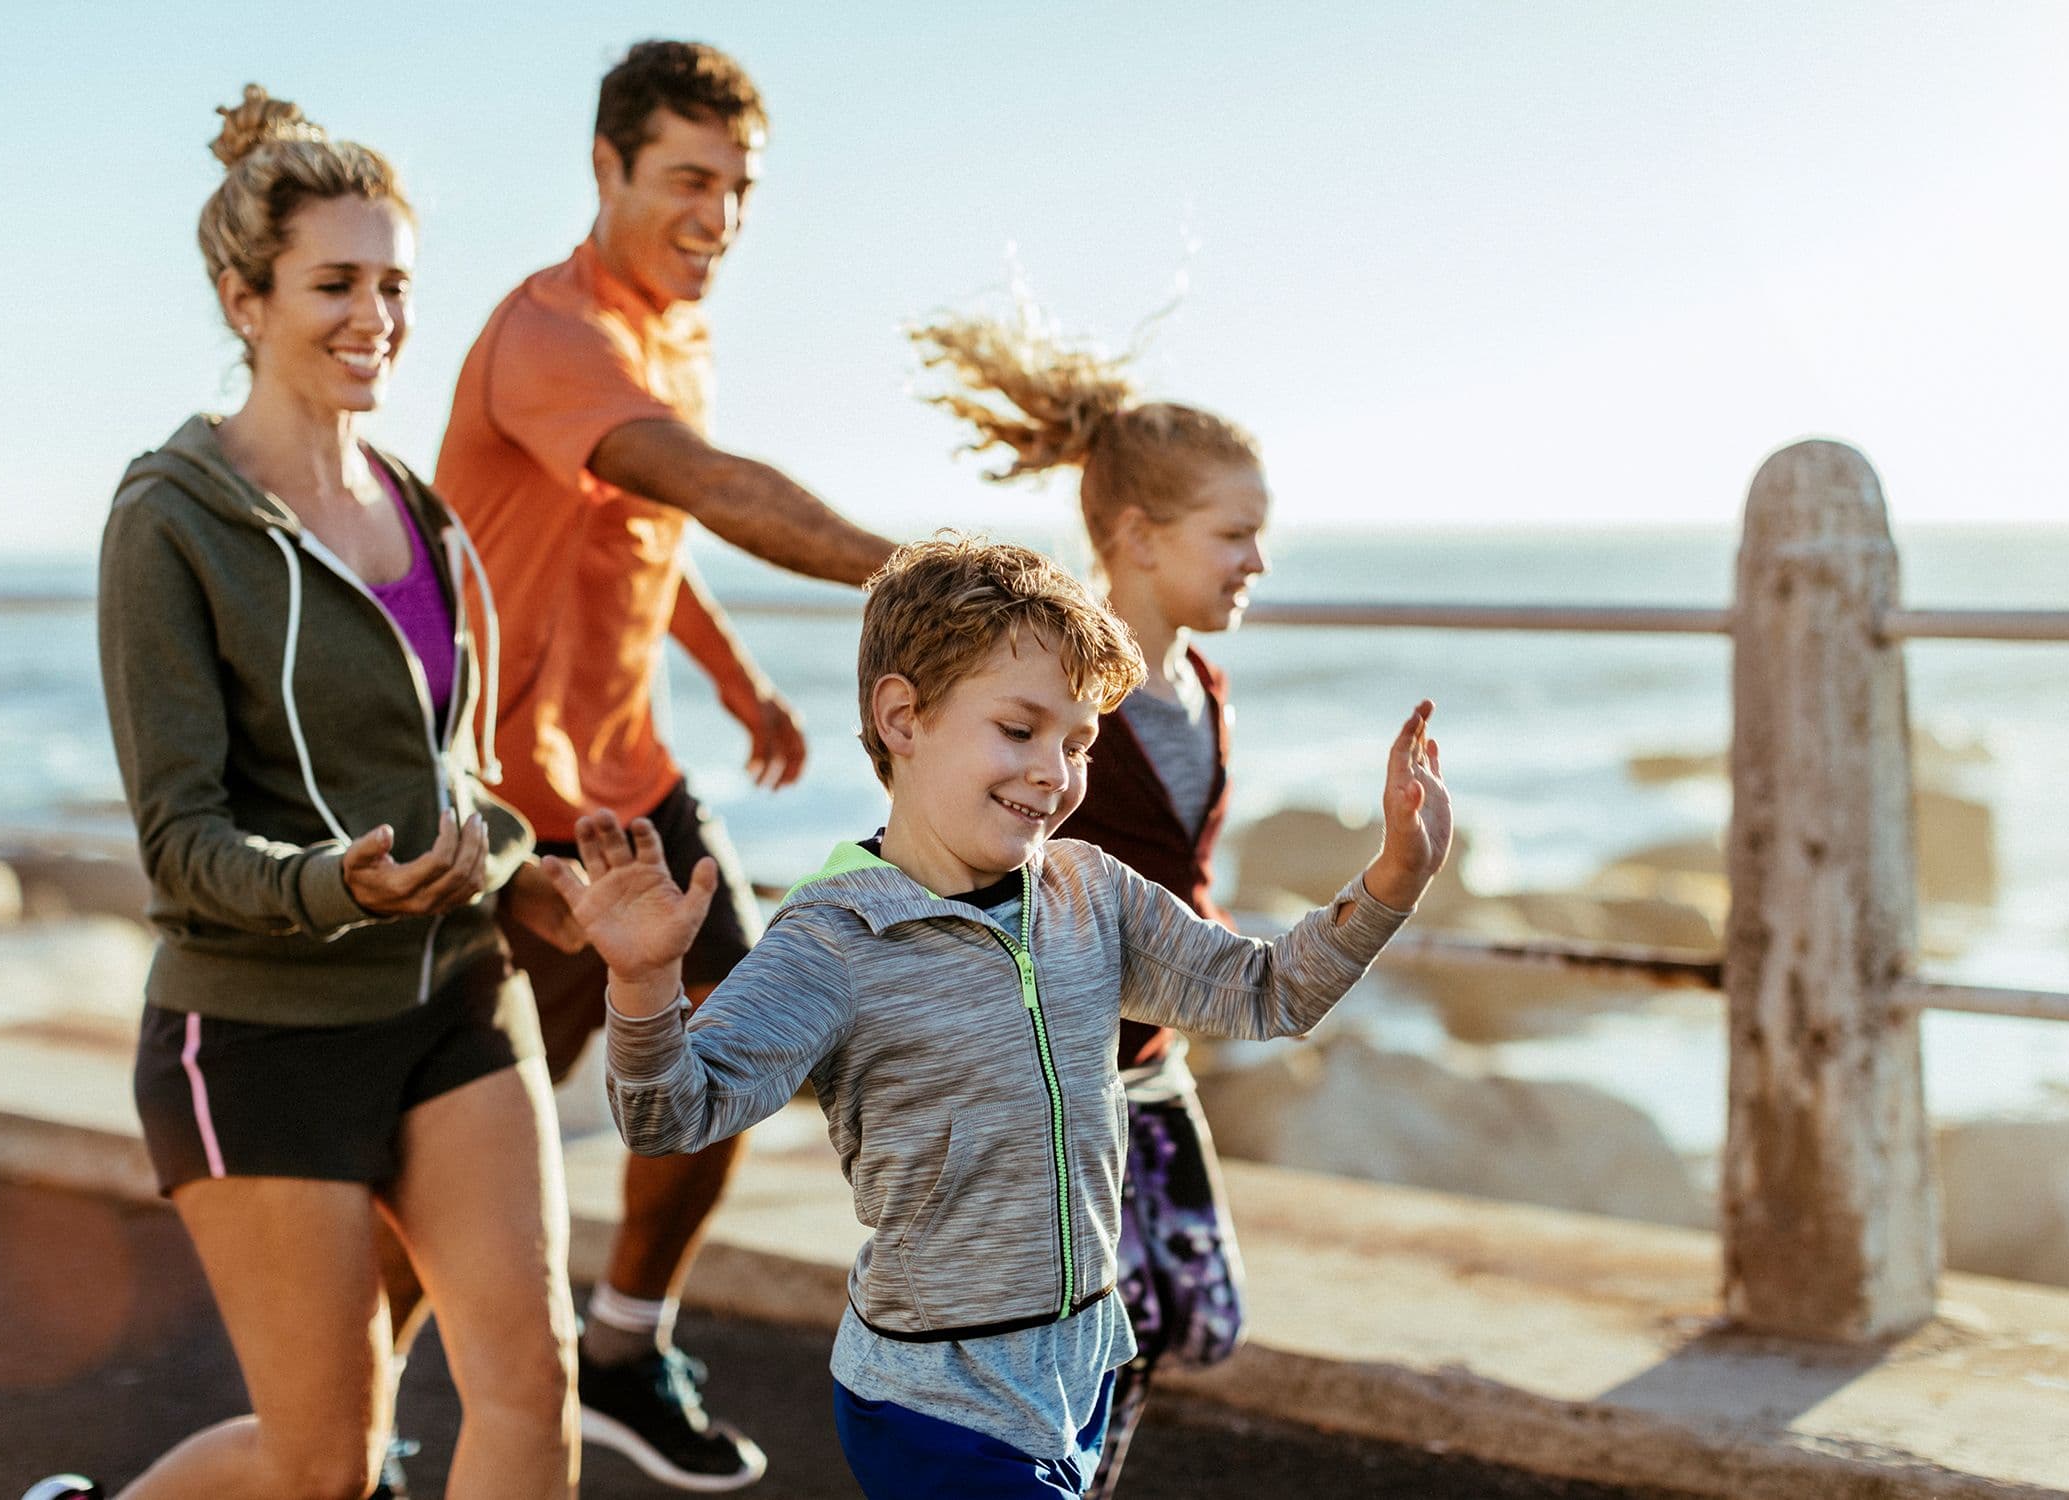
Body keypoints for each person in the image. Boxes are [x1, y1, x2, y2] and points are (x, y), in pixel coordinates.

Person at [547, 536, 1453, 1499]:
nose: (1054, 775)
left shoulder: (1089, 893)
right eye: (1018, 730)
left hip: (1081, 1367)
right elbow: (670, 1116)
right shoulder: (836, 934)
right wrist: (645, 985)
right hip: (935, 1399)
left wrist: (1392, 880)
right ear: (903, 718)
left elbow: (1267, 992)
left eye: (1077, 744)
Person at [30, 87, 582, 1500]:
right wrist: (333, 885)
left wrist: (537, 877)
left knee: (532, 1383)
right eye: (335, 283)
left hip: (454, 999)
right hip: (261, 1038)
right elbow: (179, 842)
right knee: (321, 1466)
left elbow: (459, 772)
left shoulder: (426, 513)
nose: (375, 317)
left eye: (394, 285)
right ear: (243, 296)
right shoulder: (171, 522)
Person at [422, 37, 898, 1491]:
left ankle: (625, 1343)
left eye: (740, 187)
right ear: (607, 166)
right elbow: (709, 485)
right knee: (453, 1148)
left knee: (742, 1051)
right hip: (510, 808)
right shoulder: (554, 333)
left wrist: (739, 676)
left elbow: (644, 532)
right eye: (690, 179)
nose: (721, 216)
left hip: (631, 781)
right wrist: (946, 573)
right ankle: (344, 1427)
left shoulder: (665, 331)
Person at [907, 309, 1271, 1493]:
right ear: (1138, 537)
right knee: (1083, 1350)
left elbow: (1177, 870)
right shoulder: (1056, 696)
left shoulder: (1202, 682)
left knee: (1198, 1314)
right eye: (1235, 536)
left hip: (1149, 1061)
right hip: (1057, 1073)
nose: (1255, 563)